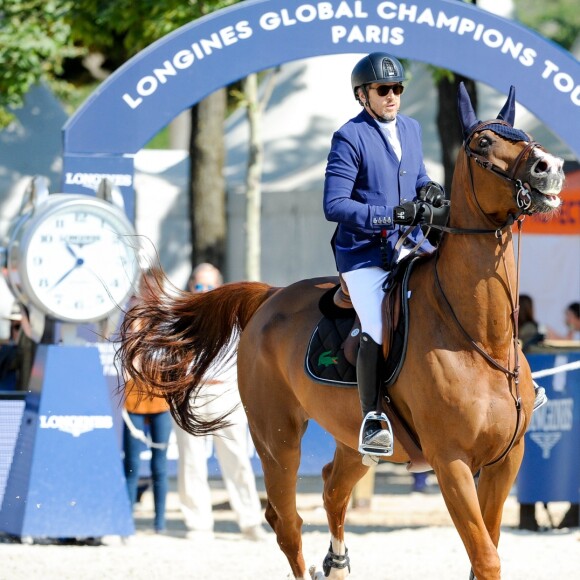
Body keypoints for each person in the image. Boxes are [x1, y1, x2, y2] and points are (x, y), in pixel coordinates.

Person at [323, 52, 445, 455]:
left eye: (397, 88)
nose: (392, 96)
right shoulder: (349, 137)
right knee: (376, 322)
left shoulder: (410, 128)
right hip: (363, 254)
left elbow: (418, 175)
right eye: (383, 89)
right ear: (363, 95)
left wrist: (429, 190)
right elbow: (334, 205)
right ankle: (372, 417)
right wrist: (387, 214)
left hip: (409, 243)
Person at [173, 263, 266, 541]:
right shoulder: (180, 316)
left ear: (220, 287)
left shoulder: (233, 316)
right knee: (191, 461)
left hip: (226, 394)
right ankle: (198, 524)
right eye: (198, 285)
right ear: (190, 287)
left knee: (237, 459)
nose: (203, 291)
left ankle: (250, 522)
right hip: (190, 394)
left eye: (209, 285)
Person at [122, 267, 172, 534]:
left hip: (161, 398)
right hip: (134, 397)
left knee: (159, 465)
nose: (149, 294)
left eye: (154, 289)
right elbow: (130, 354)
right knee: (131, 463)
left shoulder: (167, 317)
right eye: (146, 288)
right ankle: (127, 521)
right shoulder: (133, 316)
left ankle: (159, 523)